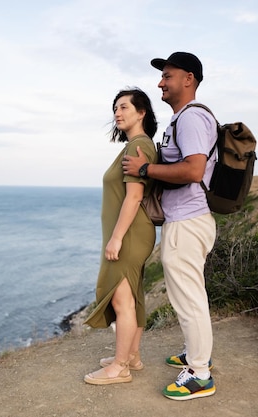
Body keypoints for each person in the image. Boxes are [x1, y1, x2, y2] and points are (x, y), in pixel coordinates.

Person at [122, 52, 217, 400]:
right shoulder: (185, 119)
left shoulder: (191, 119)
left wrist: (145, 170)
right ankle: (198, 354)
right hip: (193, 219)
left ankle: (200, 373)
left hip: (188, 221)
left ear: (188, 79)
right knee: (194, 294)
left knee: (188, 298)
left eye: (167, 76)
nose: (160, 82)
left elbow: (193, 170)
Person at [83, 88, 158, 385]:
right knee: (133, 296)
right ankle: (132, 356)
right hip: (133, 233)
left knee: (121, 301)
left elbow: (134, 197)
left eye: (124, 107)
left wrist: (115, 239)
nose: (117, 112)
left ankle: (119, 367)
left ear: (142, 113)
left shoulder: (138, 146)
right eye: (115, 108)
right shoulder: (138, 145)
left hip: (129, 234)